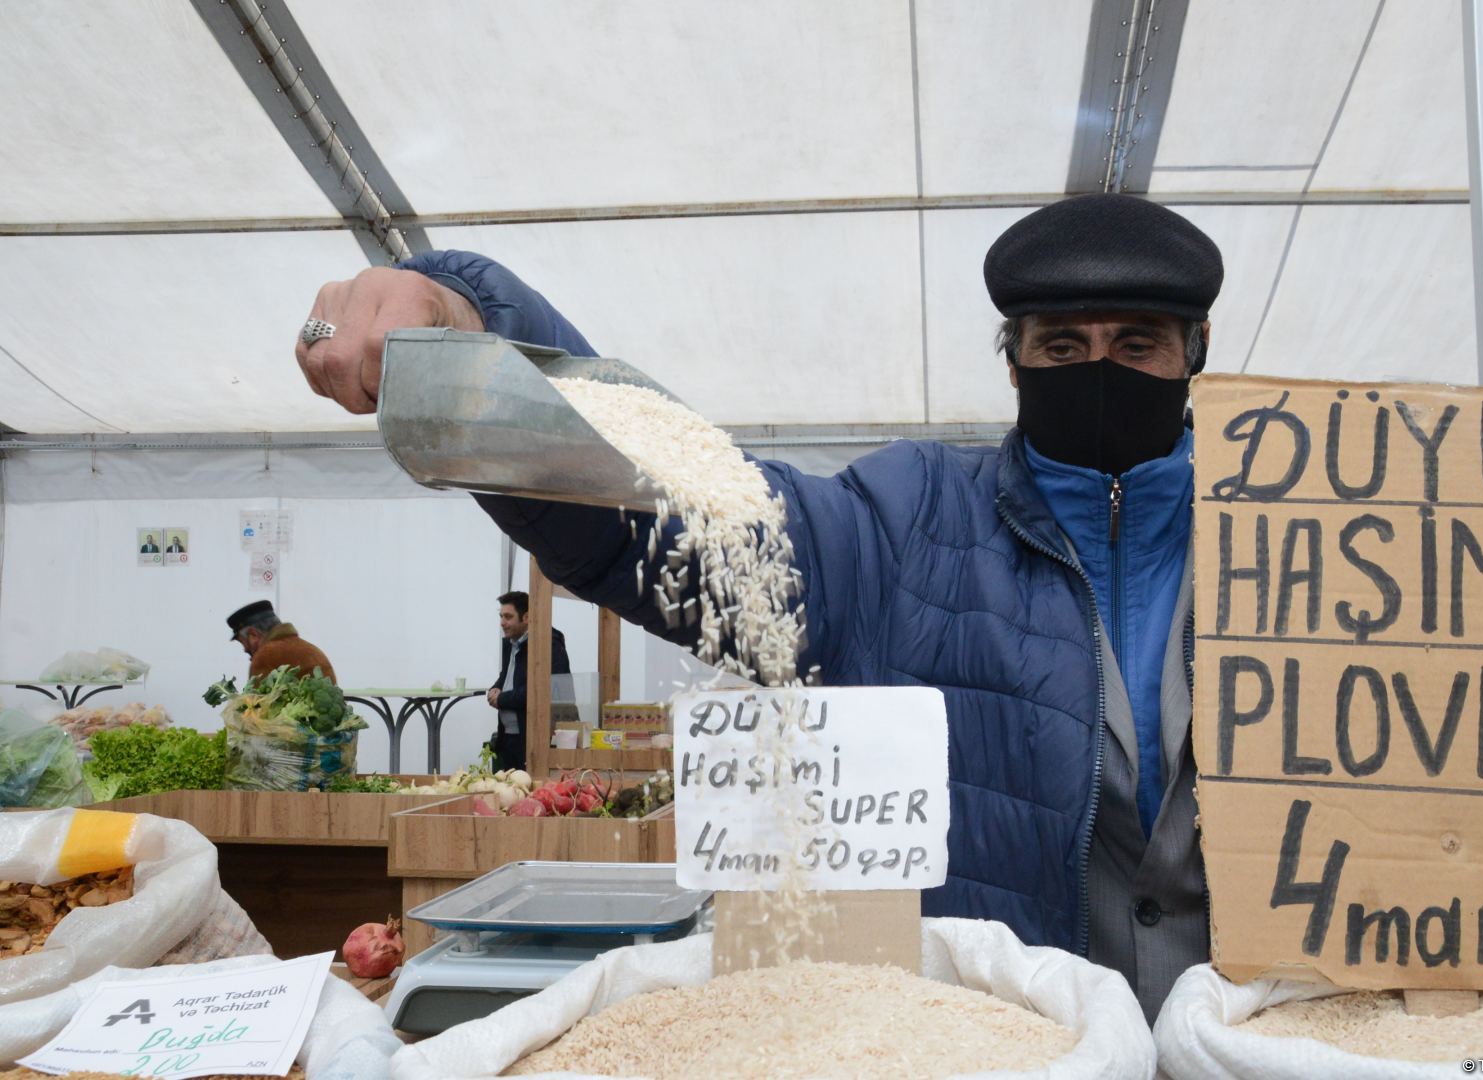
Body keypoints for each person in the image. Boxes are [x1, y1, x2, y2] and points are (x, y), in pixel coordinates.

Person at [295, 194, 1219, 1021]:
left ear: (1195, 355)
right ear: (1014, 364)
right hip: (996, 1040)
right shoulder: (906, 522)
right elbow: (659, 514)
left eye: (1137, 344)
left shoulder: (1298, 535)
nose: (1099, 369)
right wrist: (471, 335)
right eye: (1062, 346)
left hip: (1254, 1041)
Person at [486, 590, 572, 771]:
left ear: (526, 617)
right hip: (509, 737)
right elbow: (506, 675)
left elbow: (545, 689)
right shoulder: (511, 643)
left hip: (534, 739)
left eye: (508, 617)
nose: (502, 622)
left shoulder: (548, 643)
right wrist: (495, 689)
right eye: (501, 616)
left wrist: (502, 699)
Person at [226, 600, 339, 684]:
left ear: (253, 635)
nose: (245, 649)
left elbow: (255, 710)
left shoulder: (265, 656)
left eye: (242, 642)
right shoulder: (312, 650)